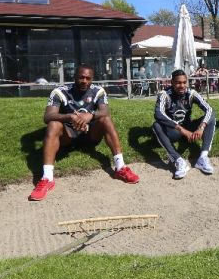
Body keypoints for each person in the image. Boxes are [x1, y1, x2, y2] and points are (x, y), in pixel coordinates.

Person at [30, 65, 139, 201]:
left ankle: (120, 167)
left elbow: (105, 112)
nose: (84, 81)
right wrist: (70, 116)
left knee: (106, 119)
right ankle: (47, 178)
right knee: (53, 124)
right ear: (74, 77)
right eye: (81, 77)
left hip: (89, 134)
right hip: (67, 135)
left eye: (88, 78)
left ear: (92, 79)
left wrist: (90, 115)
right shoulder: (59, 92)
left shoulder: (98, 91)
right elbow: (48, 116)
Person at [151, 69, 216, 179]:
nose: (182, 86)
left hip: (189, 128)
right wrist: (182, 130)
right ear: (172, 82)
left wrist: (201, 127)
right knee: (156, 125)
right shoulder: (164, 94)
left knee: (210, 118)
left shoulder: (191, 93)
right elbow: (158, 114)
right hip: (174, 131)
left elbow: (209, 109)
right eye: (178, 83)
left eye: (184, 82)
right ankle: (178, 160)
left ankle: (203, 157)